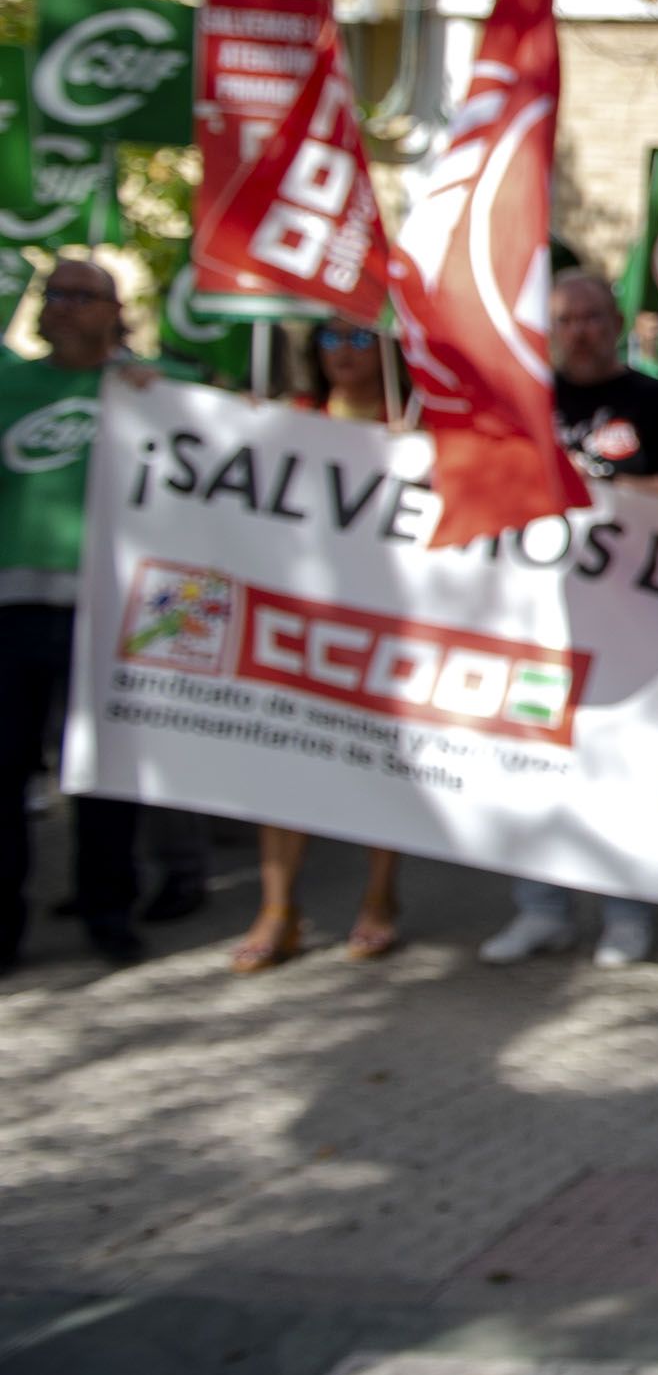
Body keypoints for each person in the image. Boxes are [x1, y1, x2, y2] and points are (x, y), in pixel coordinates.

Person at [480, 272, 658, 971]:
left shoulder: (657, 402)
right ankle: (541, 909)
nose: (579, 329)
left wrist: (624, 491)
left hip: (629, 624)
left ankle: (625, 913)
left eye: (590, 316)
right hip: (536, 618)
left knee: (617, 768)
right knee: (531, 766)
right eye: (566, 318)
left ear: (613, 321)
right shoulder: (528, 397)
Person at [231, 321, 410, 972]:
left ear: (386, 351)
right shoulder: (292, 419)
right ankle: (278, 908)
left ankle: (379, 892)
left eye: (360, 340)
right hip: (299, 615)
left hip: (384, 617)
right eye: (332, 337)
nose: (343, 350)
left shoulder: (412, 422)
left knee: (375, 760)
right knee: (283, 758)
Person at [0, 261, 156, 969]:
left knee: (102, 773)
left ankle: (108, 911)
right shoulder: (10, 385)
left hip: (108, 612)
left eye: (77, 295)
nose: (59, 307)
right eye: (51, 293)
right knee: (7, 774)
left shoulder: (143, 389)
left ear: (111, 310)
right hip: (13, 611)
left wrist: (157, 392)